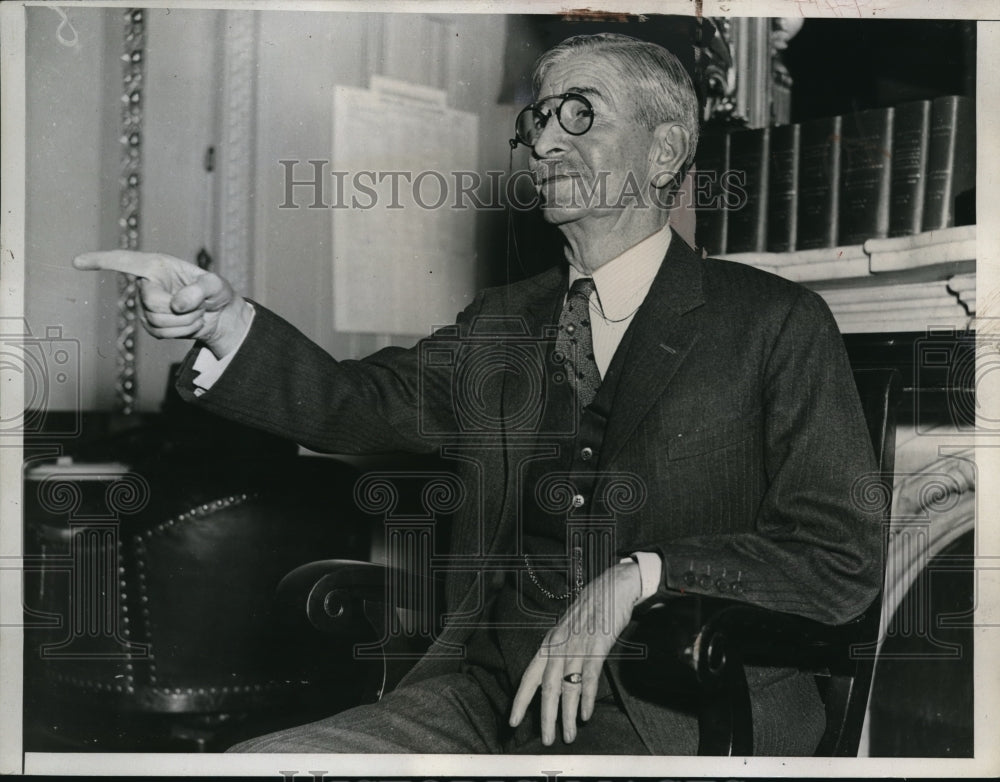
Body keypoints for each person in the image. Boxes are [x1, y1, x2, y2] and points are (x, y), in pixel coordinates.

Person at [74, 32, 881, 755]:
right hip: (489, 699)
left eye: (579, 114)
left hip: (676, 714)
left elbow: (839, 553)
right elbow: (354, 405)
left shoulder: (773, 322)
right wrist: (225, 323)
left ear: (664, 148)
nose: (544, 142)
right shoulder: (503, 321)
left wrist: (644, 574)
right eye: (537, 120)